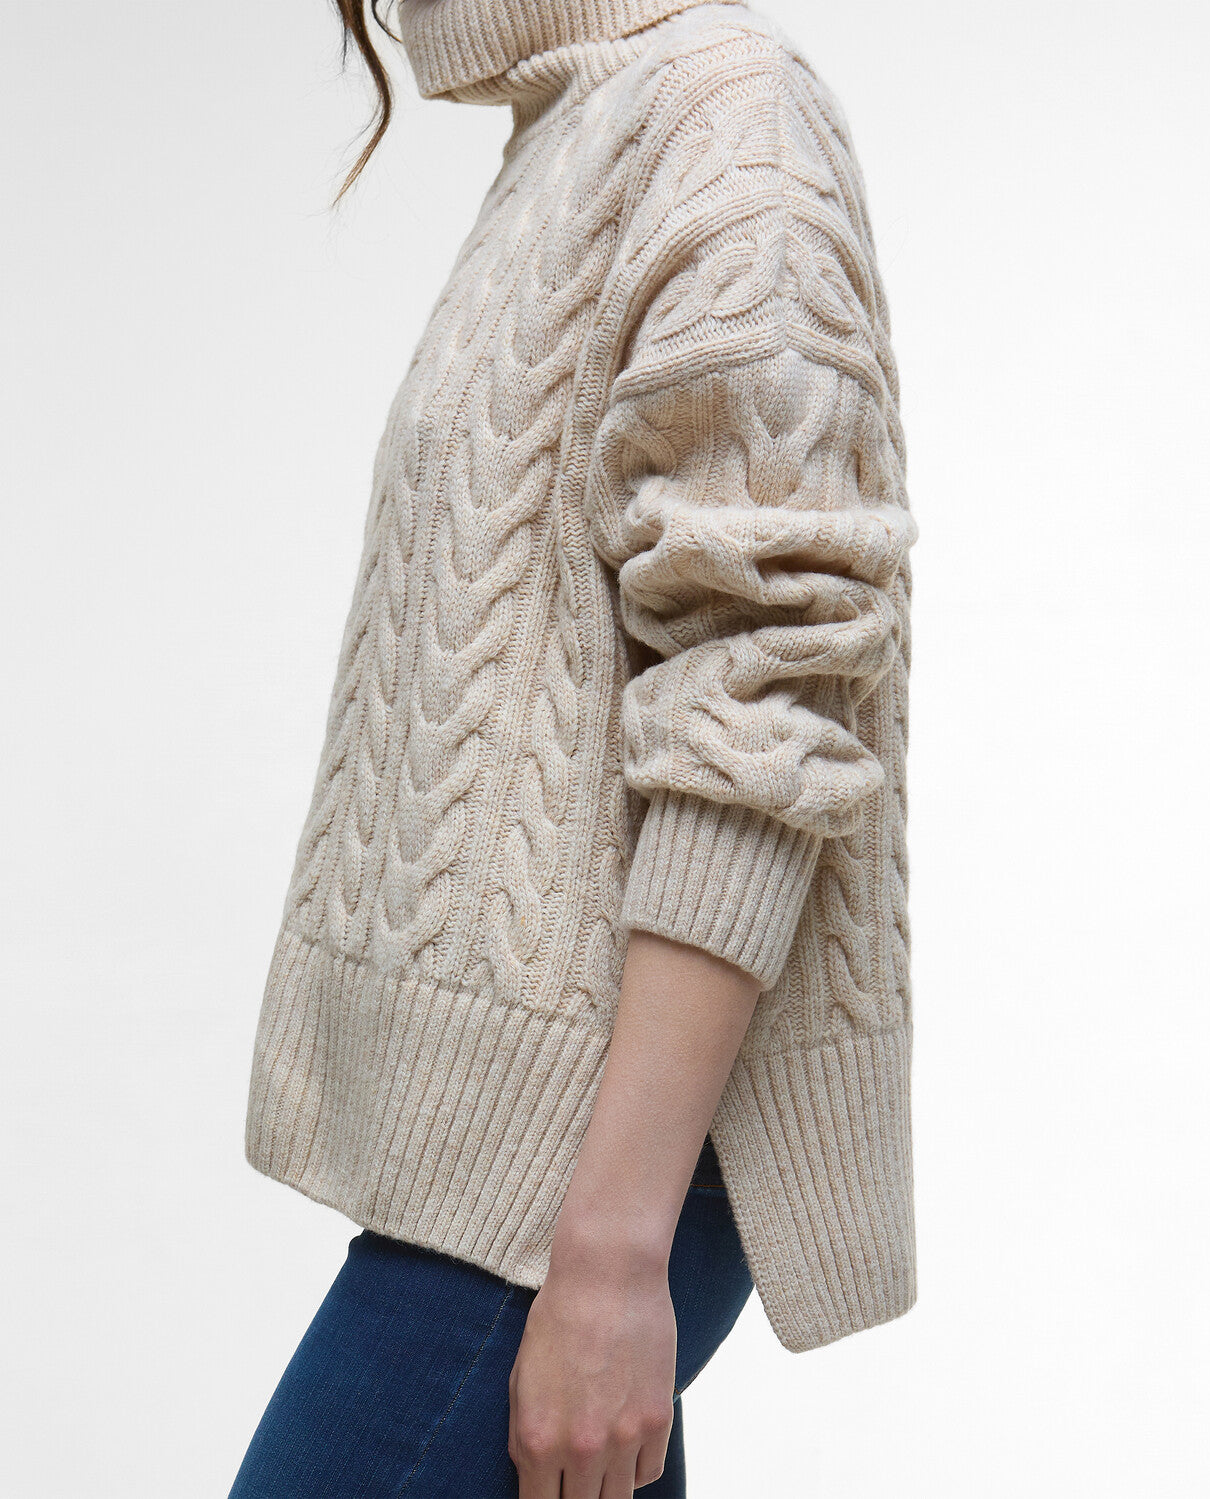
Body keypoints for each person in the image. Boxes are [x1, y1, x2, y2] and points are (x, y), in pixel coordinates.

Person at [231, 0, 919, 1494]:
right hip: (521, 1151)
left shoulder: (729, 120)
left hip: (588, 1160)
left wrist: (609, 1257)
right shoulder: (579, 122)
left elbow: (769, 694)